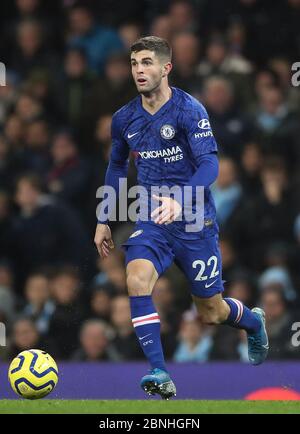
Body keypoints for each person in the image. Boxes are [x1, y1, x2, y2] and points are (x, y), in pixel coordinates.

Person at [94, 36, 269, 400]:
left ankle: (253, 321)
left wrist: (182, 199)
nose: (139, 70)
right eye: (134, 63)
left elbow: (210, 164)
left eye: (146, 63)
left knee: (211, 312)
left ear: (166, 68)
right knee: (136, 277)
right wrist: (104, 217)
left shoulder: (190, 111)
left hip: (194, 221)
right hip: (152, 217)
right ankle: (159, 372)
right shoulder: (124, 118)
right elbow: (115, 165)